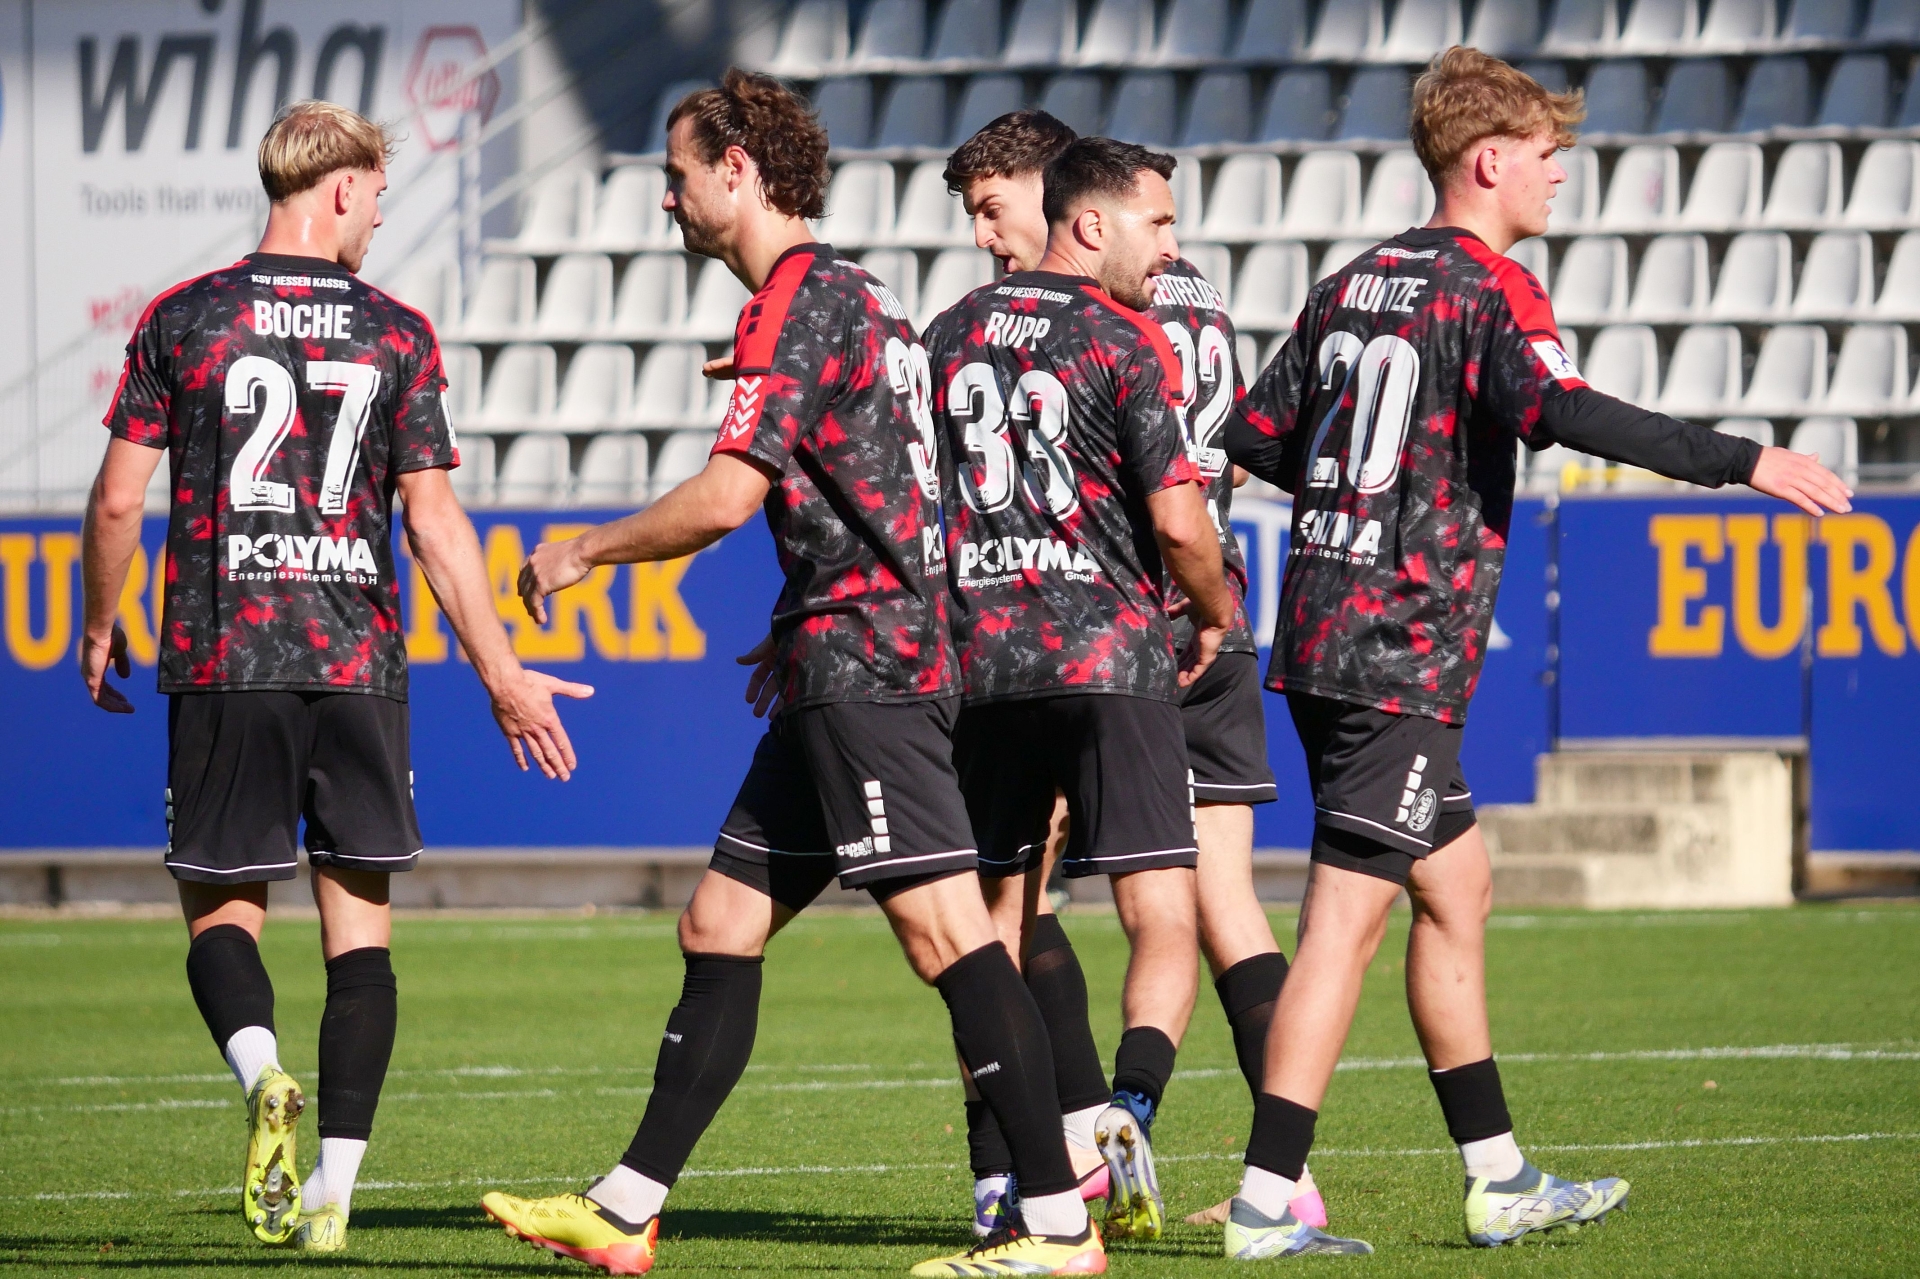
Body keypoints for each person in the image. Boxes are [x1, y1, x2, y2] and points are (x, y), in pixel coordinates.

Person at [1219, 47, 1855, 1259]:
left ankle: (1499, 1176)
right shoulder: (1490, 288)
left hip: (1321, 630)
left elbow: (1252, 433)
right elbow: (1562, 410)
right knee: (1345, 920)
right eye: (1548, 152)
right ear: (1487, 160)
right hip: (1400, 649)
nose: (1561, 173)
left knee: (1456, 887)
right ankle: (1263, 1200)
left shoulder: (1352, 279)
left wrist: (1361, 495)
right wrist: (1745, 459)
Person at [481, 69, 1104, 1278]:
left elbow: (727, 497)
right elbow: (887, 481)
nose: (668, 200)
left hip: (869, 670)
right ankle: (625, 1206)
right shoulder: (860, 294)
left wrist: (583, 551)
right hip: (841, 649)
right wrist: (801, 610)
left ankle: (1057, 1222)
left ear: (738, 170)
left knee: (951, 937)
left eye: (677, 175)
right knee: (718, 921)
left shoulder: (797, 300)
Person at [78, 99, 590, 1255]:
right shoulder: (396, 331)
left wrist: (100, 626)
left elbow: (115, 502)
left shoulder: (184, 317)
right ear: (344, 188)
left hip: (225, 658)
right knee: (360, 939)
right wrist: (501, 671)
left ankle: (263, 1073)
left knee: (223, 911)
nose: (379, 222)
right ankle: (334, 1195)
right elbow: (436, 523)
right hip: (360, 665)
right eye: (378, 199)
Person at [936, 112, 1327, 1238]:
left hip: (1085, 627)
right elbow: (1227, 458)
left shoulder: (1021, 323)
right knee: (1216, 904)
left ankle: (1027, 1168)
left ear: (1060, 197)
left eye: (993, 208)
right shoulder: (1182, 298)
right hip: (1194, 619)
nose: (985, 235)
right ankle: (1277, 1179)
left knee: (1008, 906)